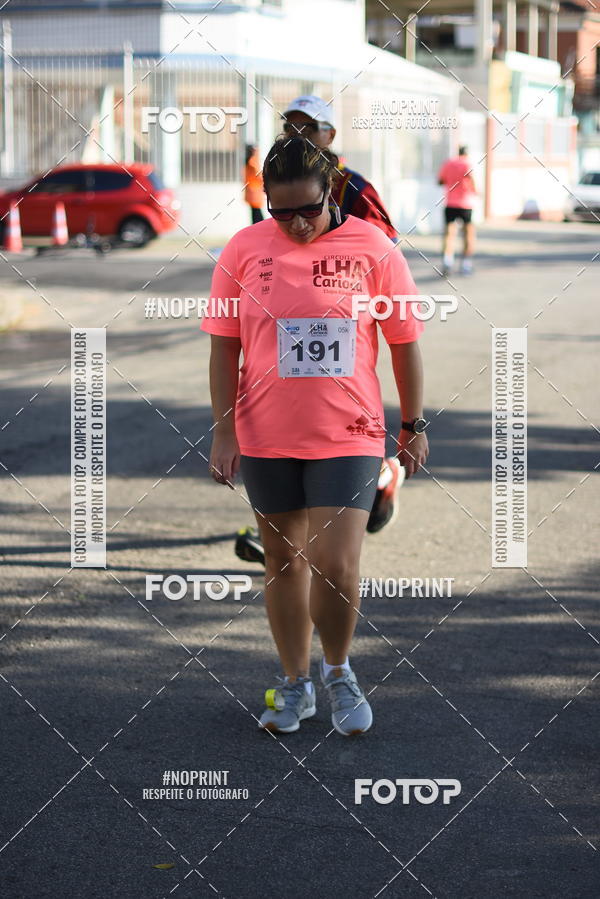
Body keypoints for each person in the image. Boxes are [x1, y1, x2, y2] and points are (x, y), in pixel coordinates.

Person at [203, 137, 428, 736]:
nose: (296, 224)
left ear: (330, 192)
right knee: (281, 558)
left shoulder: (373, 248)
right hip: (266, 430)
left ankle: (338, 671)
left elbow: (404, 342)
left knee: (337, 563)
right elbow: (225, 348)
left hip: (348, 430)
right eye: (282, 212)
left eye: (308, 209)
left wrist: (411, 424)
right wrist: (224, 431)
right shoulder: (245, 249)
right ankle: (294, 683)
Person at [234, 96, 403, 567]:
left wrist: (339, 264)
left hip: (342, 314)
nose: (300, 134)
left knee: (336, 420)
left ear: (331, 134)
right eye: (292, 125)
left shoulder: (353, 184)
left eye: (311, 126)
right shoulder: (280, 171)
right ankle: (279, 528)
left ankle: (380, 475)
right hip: (284, 315)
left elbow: (386, 244)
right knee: (278, 420)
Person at [438, 145, 477, 276]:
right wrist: (476, 192)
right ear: (467, 153)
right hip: (466, 204)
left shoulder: (448, 163)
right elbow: (472, 180)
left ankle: (447, 262)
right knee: (468, 234)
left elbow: (440, 181)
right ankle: (466, 265)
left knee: (449, 234)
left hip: (450, 203)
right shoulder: (467, 164)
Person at [244, 144, 264, 224]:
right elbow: (259, 175)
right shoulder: (253, 161)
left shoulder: (248, 161)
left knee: (254, 212)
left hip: (251, 190)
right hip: (255, 191)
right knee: (257, 213)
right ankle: (259, 226)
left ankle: (257, 226)